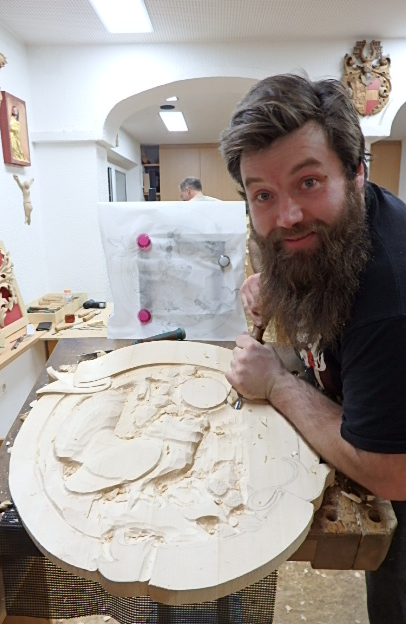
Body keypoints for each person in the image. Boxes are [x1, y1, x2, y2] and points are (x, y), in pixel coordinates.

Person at [220, 73, 406, 624]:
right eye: (263, 195)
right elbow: (308, 265)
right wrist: (279, 289)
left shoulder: (391, 297)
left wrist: (276, 384)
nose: (287, 217)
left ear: (356, 172)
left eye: (308, 182)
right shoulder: (338, 232)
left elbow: (390, 472)